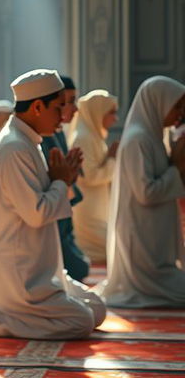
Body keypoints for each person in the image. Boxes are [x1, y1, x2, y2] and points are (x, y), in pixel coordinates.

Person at [0, 69, 106, 340]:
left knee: (97, 309)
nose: (64, 114)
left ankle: (16, 313)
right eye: (59, 107)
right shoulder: (14, 147)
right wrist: (62, 182)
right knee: (82, 320)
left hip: (39, 267)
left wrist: (62, 180)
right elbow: (37, 213)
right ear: (37, 106)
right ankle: (2, 317)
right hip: (21, 275)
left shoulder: (28, 142)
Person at [97, 76, 185, 307]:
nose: (180, 112)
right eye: (176, 106)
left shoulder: (154, 136)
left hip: (152, 243)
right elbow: (146, 192)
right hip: (141, 248)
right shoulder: (138, 139)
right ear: (159, 103)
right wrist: (177, 167)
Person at [41, 76, 90, 282]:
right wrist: (65, 178)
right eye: (67, 102)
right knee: (78, 269)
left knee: (80, 267)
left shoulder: (57, 132)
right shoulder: (42, 136)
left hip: (62, 209)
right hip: (49, 212)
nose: (74, 109)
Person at [70, 89, 119, 263]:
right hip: (87, 209)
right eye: (111, 113)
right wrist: (112, 159)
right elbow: (90, 177)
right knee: (117, 251)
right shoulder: (83, 138)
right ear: (98, 112)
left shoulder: (93, 136)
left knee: (116, 249)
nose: (116, 118)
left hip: (97, 207)